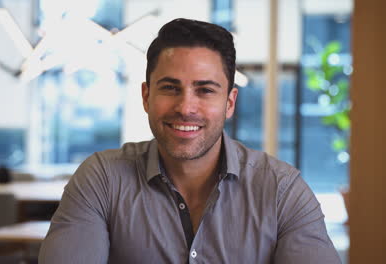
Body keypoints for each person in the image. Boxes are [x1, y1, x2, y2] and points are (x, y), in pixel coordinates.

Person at [39, 18, 341, 263]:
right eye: (170, 88)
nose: (185, 107)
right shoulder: (102, 180)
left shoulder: (281, 190)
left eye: (206, 90)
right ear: (146, 96)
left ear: (230, 102)